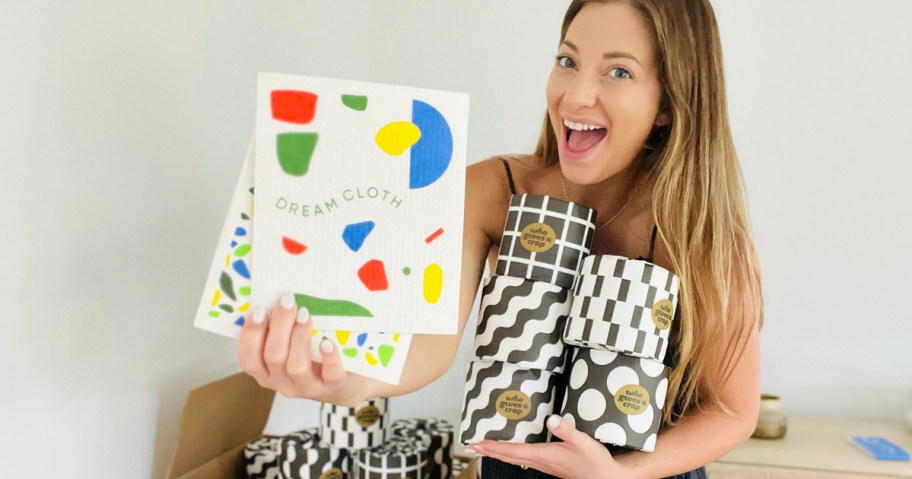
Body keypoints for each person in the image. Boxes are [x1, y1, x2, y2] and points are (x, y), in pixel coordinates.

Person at [238, 0, 764, 477]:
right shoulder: (494, 189)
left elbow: (733, 410)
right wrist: (348, 384)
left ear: (669, 103)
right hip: (512, 464)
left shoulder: (702, 237)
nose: (576, 94)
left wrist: (619, 475)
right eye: (568, 60)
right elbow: (430, 345)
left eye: (618, 71)